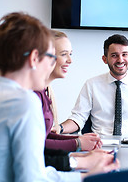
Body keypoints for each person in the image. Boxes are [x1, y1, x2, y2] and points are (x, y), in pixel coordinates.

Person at [0, 12, 119, 182]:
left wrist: (83, 175)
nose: (51, 65)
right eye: (52, 57)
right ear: (34, 58)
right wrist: (87, 176)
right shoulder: (22, 103)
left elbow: (34, 172)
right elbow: (32, 179)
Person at [35, 30, 102, 171]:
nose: (70, 61)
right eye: (63, 54)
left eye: (70, 54)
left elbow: (45, 136)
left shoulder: (45, 91)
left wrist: (79, 140)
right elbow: (37, 144)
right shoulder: (32, 95)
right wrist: (77, 143)